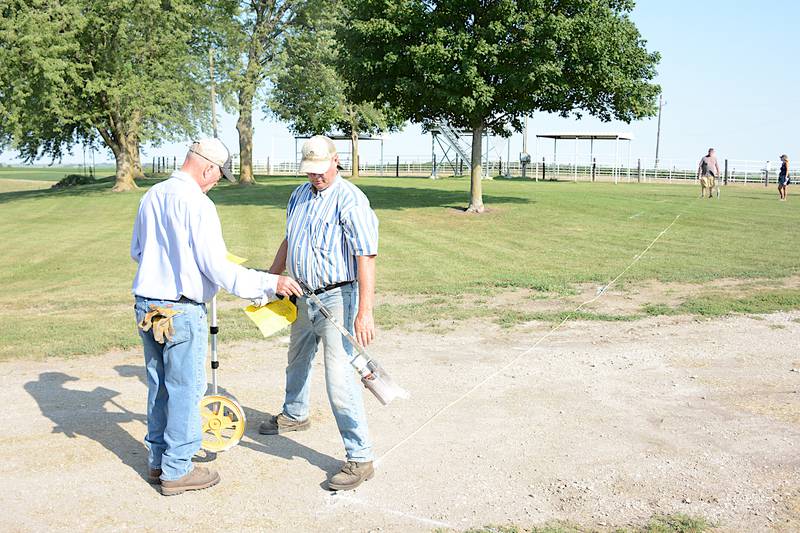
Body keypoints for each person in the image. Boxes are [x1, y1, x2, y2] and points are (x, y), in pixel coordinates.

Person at [130, 138, 301, 495]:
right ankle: (177, 470)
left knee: (159, 385)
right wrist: (272, 283)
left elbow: (138, 251)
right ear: (207, 167)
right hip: (180, 309)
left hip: (148, 304)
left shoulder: (152, 195)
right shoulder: (198, 204)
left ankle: (158, 461)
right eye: (216, 177)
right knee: (186, 389)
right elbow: (216, 268)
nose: (215, 183)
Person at [259, 135, 379, 491]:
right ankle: (295, 414)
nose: (316, 177)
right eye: (310, 171)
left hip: (339, 298)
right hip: (300, 292)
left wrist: (365, 311)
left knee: (339, 377)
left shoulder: (351, 200)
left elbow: (366, 256)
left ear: (335, 161)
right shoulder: (298, 195)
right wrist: (270, 280)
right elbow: (288, 240)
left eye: (321, 170)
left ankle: (360, 456)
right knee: (296, 358)